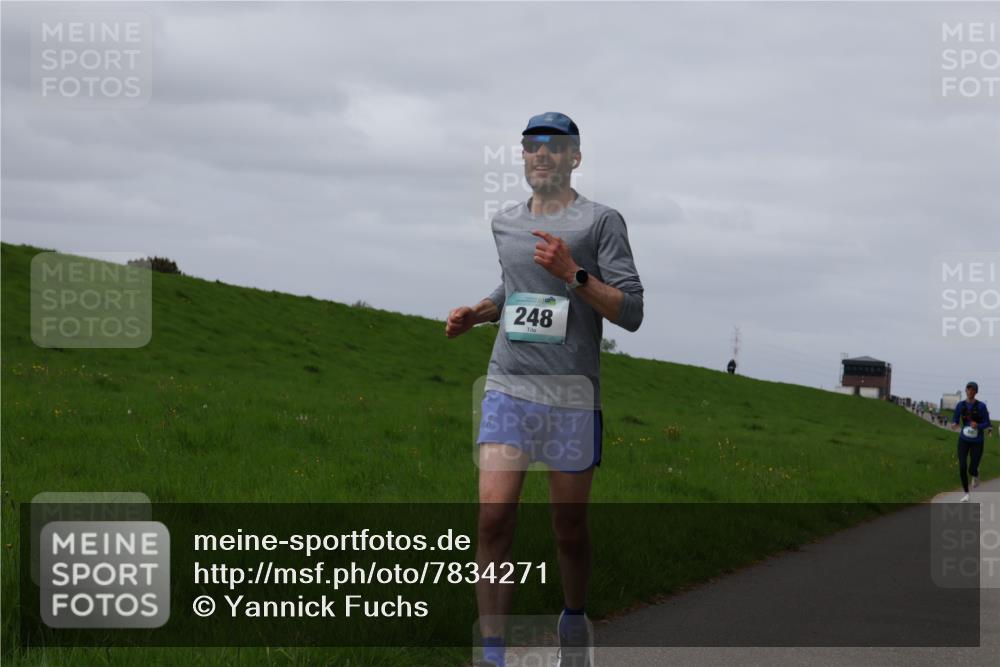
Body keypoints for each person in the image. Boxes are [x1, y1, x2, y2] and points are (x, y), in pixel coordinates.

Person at [445, 112, 644, 667]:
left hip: (572, 397)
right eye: (532, 146)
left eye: (555, 147)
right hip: (509, 387)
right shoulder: (505, 223)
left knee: (569, 528)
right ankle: (492, 653)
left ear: (574, 157)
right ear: (523, 156)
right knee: (492, 516)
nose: (542, 155)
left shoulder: (602, 222)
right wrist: (477, 313)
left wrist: (574, 273)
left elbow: (631, 311)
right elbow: (513, 288)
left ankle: (574, 619)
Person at [950, 381, 993, 502]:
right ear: (966, 391)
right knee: (962, 466)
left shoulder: (981, 406)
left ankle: (976, 473)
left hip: (977, 441)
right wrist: (954, 424)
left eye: (972, 390)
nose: (970, 391)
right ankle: (966, 493)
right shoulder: (960, 405)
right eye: (968, 389)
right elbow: (955, 419)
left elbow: (987, 423)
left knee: (971, 469)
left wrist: (978, 425)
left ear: (976, 392)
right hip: (963, 440)